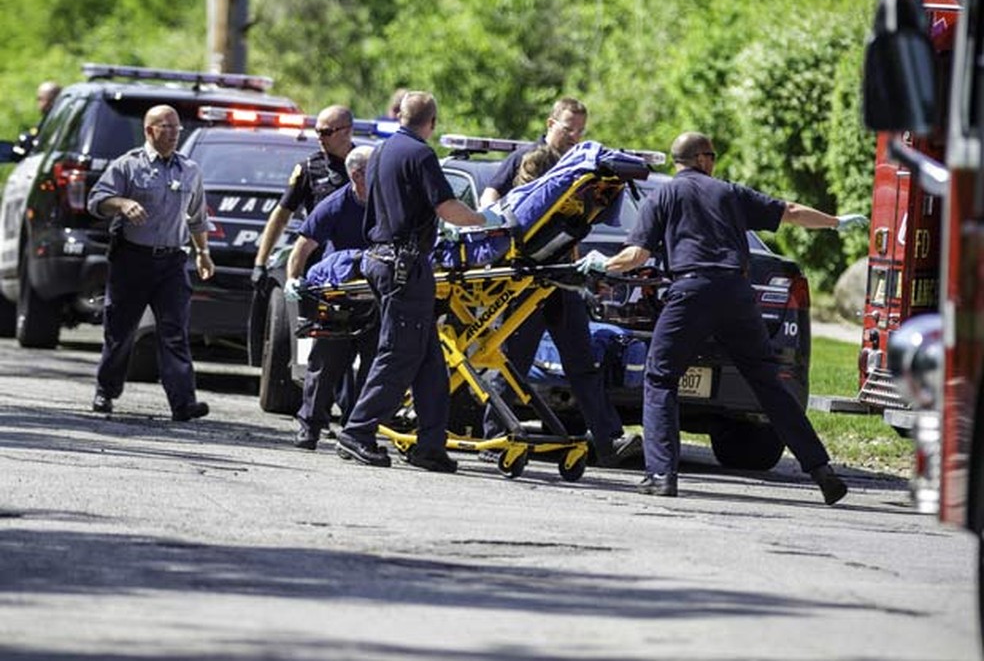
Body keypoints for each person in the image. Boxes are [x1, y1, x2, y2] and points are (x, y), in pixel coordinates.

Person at [581, 131, 868, 503]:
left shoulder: (662, 196)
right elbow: (791, 212)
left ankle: (661, 474)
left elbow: (636, 255)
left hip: (691, 291)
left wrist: (604, 264)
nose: (714, 162)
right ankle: (822, 471)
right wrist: (835, 222)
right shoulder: (730, 193)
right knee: (767, 383)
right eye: (712, 155)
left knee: (660, 376)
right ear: (701, 158)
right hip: (737, 294)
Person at [335, 91, 504, 472]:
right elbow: (446, 208)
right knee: (399, 353)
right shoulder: (421, 154)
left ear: (399, 116)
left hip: (382, 258)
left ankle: (431, 443)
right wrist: (484, 220)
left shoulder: (380, 152)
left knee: (429, 361)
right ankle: (358, 431)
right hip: (404, 266)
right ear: (432, 122)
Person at [477, 97, 641, 467]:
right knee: (511, 362)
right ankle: (494, 436)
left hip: (562, 277)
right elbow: (490, 199)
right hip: (524, 281)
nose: (574, 136)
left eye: (580, 131)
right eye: (568, 128)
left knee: (582, 363)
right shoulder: (530, 159)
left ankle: (607, 440)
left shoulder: (581, 170)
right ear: (551, 122)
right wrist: (494, 232)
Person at [87, 105, 215, 421]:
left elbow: (197, 217)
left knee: (174, 332)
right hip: (132, 260)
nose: (173, 133)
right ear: (149, 130)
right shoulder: (127, 165)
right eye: (165, 127)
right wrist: (123, 203)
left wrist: (203, 253)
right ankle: (106, 391)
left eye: (176, 128)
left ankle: (183, 403)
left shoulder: (190, 170)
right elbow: (96, 201)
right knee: (120, 332)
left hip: (172, 262)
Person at [282, 145, 378, 450]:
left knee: (374, 365)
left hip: (375, 296)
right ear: (357, 174)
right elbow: (303, 247)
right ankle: (309, 426)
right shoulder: (336, 204)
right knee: (326, 364)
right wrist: (293, 281)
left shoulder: (387, 203)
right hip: (338, 294)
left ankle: (357, 430)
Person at [251, 105, 356, 287]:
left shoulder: (366, 165)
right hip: (318, 259)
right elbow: (282, 214)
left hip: (356, 257)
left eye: (326, 132)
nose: (320, 138)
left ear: (347, 132)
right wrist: (260, 262)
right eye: (317, 132)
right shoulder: (309, 168)